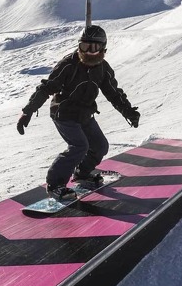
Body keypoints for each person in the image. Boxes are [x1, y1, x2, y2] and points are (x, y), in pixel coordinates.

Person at [17, 25, 140, 200]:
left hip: (85, 115)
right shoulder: (68, 65)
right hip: (64, 114)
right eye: (84, 47)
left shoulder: (103, 68)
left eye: (94, 47)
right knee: (79, 146)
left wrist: (129, 112)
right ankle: (55, 185)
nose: (89, 52)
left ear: (103, 48)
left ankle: (82, 174)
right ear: (78, 46)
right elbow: (46, 88)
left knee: (100, 146)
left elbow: (114, 93)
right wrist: (28, 111)